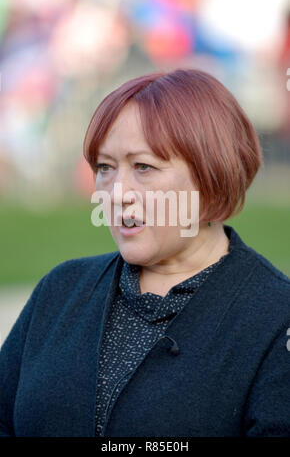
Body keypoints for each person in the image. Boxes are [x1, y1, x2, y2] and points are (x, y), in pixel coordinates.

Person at [0, 68, 290, 438]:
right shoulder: (60, 291)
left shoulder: (275, 319)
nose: (117, 193)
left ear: (212, 176)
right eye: (105, 167)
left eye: (143, 167)